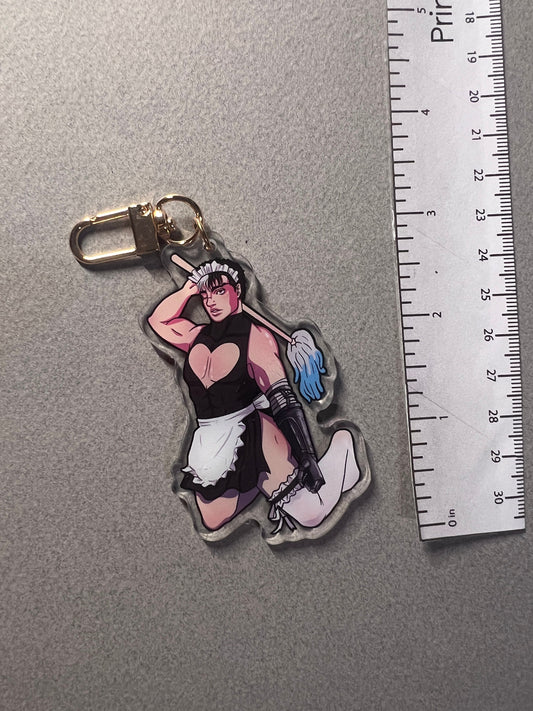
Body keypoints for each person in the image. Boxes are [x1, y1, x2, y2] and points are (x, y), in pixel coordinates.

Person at [147, 258, 359, 533]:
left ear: (237, 290)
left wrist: (306, 453)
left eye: (219, 291)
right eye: (205, 294)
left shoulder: (256, 337)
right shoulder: (195, 335)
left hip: (255, 429)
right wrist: (189, 288)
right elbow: (158, 321)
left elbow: (282, 397)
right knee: (212, 519)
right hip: (210, 437)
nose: (210, 301)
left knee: (311, 515)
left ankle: (343, 448)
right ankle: (265, 482)